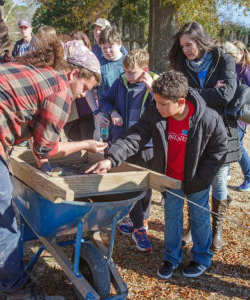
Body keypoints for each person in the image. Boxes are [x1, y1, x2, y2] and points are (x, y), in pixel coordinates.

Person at [0, 38, 107, 299]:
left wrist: (44, 166)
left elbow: (37, 138)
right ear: (74, 73)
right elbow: (47, 148)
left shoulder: (37, 74)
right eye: (84, 88)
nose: (81, 95)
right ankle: (20, 292)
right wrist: (86, 145)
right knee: (1, 218)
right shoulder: (60, 87)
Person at [86, 70, 228, 278]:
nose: (157, 106)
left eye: (162, 103)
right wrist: (111, 158)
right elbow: (135, 136)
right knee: (172, 217)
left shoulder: (208, 118)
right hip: (170, 179)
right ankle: (171, 257)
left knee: (200, 217)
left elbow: (219, 149)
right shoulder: (155, 112)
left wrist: (202, 177)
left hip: (197, 180)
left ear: (180, 102)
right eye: (156, 101)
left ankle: (201, 257)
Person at [167, 21, 240, 251]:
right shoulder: (180, 65)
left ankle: (217, 228)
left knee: (218, 183)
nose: (187, 50)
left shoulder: (223, 59)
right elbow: (178, 94)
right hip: (193, 132)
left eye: (190, 44)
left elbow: (227, 94)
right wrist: (209, 93)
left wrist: (192, 94)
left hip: (222, 132)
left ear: (200, 40)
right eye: (183, 46)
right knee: (195, 181)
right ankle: (192, 227)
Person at [99, 49, 159, 251]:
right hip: (123, 142)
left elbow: (162, 111)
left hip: (147, 145)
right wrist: (113, 111)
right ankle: (138, 226)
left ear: (145, 70)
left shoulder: (155, 86)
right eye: (125, 71)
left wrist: (153, 91)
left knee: (145, 185)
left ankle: (141, 223)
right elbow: (104, 100)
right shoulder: (120, 82)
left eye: (132, 72)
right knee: (130, 186)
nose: (128, 76)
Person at [86, 27, 127, 140]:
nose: (108, 51)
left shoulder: (129, 62)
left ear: (119, 44)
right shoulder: (98, 66)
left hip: (127, 115)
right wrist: (96, 112)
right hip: (107, 118)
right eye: (104, 48)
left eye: (110, 47)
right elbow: (87, 90)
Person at [63, 31, 95, 141]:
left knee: (87, 140)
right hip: (71, 113)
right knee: (72, 140)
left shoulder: (92, 65)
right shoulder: (65, 67)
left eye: (83, 46)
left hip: (86, 110)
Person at [232, 41, 250, 191]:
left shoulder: (246, 70)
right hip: (230, 111)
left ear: (242, 53)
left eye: (235, 53)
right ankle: (223, 172)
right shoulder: (230, 67)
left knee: (237, 145)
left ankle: (249, 176)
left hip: (242, 114)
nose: (232, 56)